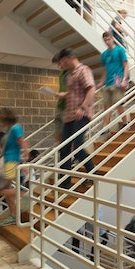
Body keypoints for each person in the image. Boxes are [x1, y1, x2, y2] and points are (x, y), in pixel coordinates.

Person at [54, 48, 96, 189]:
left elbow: (91, 89)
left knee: (77, 146)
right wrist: (63, 95)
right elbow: (73, 92)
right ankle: (65, 183)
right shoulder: (70, 75)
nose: (62, 66)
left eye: (64, 62)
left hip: (81, 115)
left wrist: (83, 108)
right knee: (64, 149)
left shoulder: (83, 70)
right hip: (69, 116)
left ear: (71, 58)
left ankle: (93, 173)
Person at [0, 108, 29, 226]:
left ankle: (23, 195)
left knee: (0, 190)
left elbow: (23, 144)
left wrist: (24, 162)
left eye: (1, 119)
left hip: (12, 161)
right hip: (8, 161)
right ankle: (13, 215)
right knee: (5, 190)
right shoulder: (9, 129)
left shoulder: (15, 128)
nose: (0, 121)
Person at [97, 31, 130, 136]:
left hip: (118, 82)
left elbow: (126, 66)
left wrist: (125, 79)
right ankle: (105, 128)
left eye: (109, 39)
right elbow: (105, 70)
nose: (107, 41)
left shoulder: (120, 50)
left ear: (112, 38)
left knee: (118, 104)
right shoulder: (104, 54)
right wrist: (101, 82)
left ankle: (125, 122)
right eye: (105, 40)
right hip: (107, 83)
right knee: (107, 106)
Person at [52, 53, 69, 143]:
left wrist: (63, 95)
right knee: (57, 133)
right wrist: (58, 94)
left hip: (68, 106)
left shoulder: (71, 72)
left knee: (68, 134)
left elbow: (74, 92)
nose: (59, 66)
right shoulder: (61, 74)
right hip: (60, 105)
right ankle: (62, 153)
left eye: (59, 64)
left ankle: (71, 155)